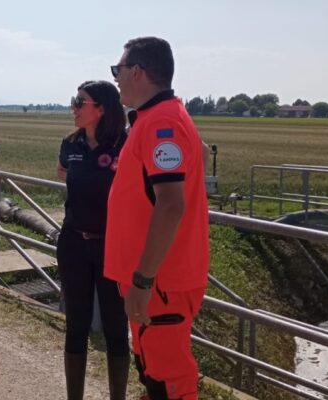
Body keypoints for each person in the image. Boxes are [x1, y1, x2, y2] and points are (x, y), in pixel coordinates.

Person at [104, 37, 210, 400]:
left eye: (118, 69)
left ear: (137, 72)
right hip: (155, 280)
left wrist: (143, 279)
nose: (116, 77)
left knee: (169, 382)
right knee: (153, 374)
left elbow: (170, 205)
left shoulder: (162, 122)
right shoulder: (156, 118)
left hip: (160, 281)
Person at [56, 80, 129, 400]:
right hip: (73, 244)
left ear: (100, 108)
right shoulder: (70, 144)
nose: (73, 107)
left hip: (112, 246)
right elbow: (63, 172)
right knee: (76, 325)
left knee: (115, 328)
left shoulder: (125, 144)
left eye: (79, 101)